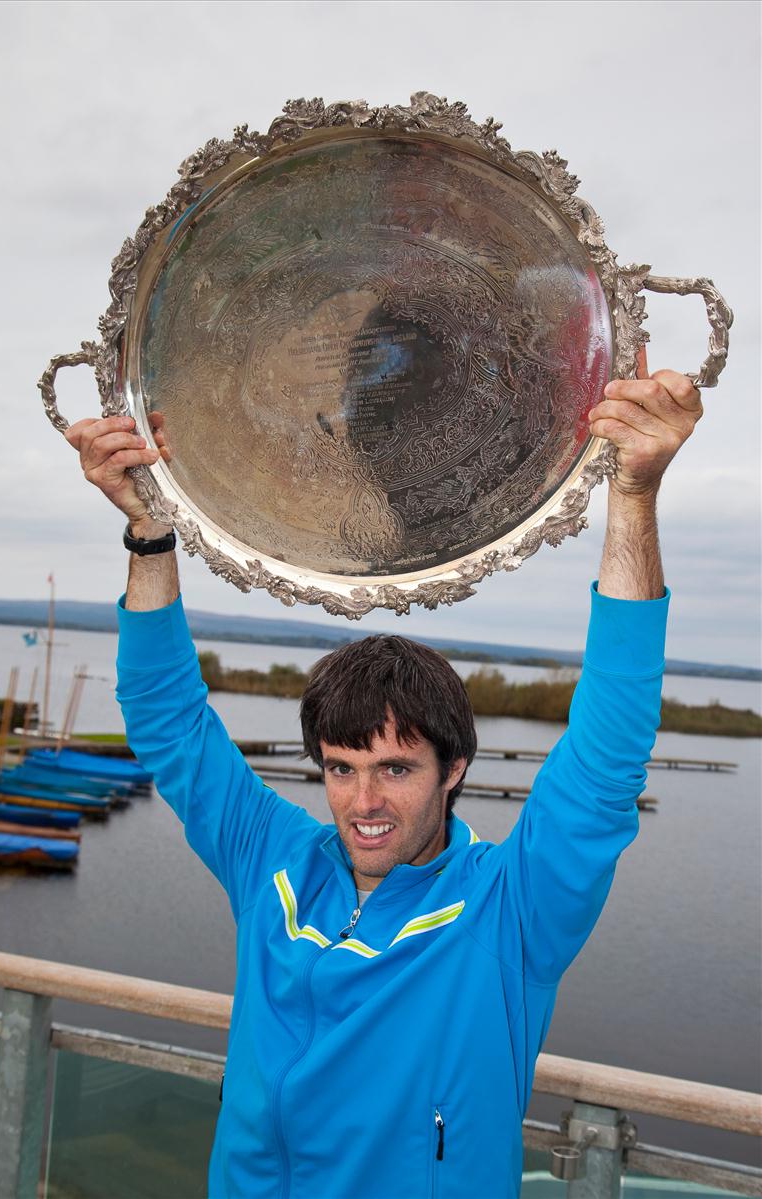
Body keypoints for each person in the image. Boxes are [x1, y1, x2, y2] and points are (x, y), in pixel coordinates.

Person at [66, 348, 702, 1198]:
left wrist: (633, 496)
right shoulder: (274, 865)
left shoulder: (510, 910)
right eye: (340, 766)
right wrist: (148, 526)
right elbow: (167, 716)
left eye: (397, 766)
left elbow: (605, 753)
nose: (362, 802)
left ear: (455, 769)